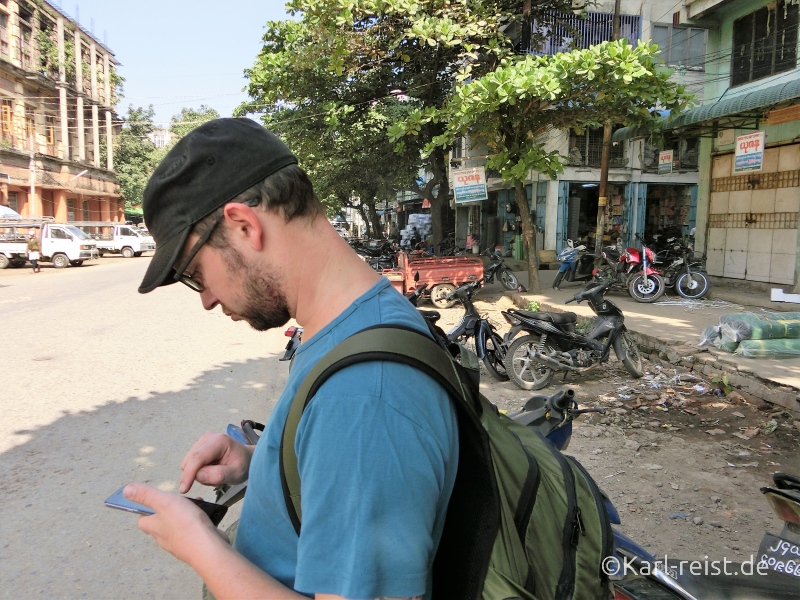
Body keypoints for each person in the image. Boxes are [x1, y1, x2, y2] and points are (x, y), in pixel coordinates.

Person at [125, 118, 458, 600]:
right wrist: (265, 465)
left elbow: (358, 439)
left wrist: (201, 547)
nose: (207, 300)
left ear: (244, 225)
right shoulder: (346, 324)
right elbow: (342, 467)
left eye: (196, 274)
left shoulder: (364, 396)